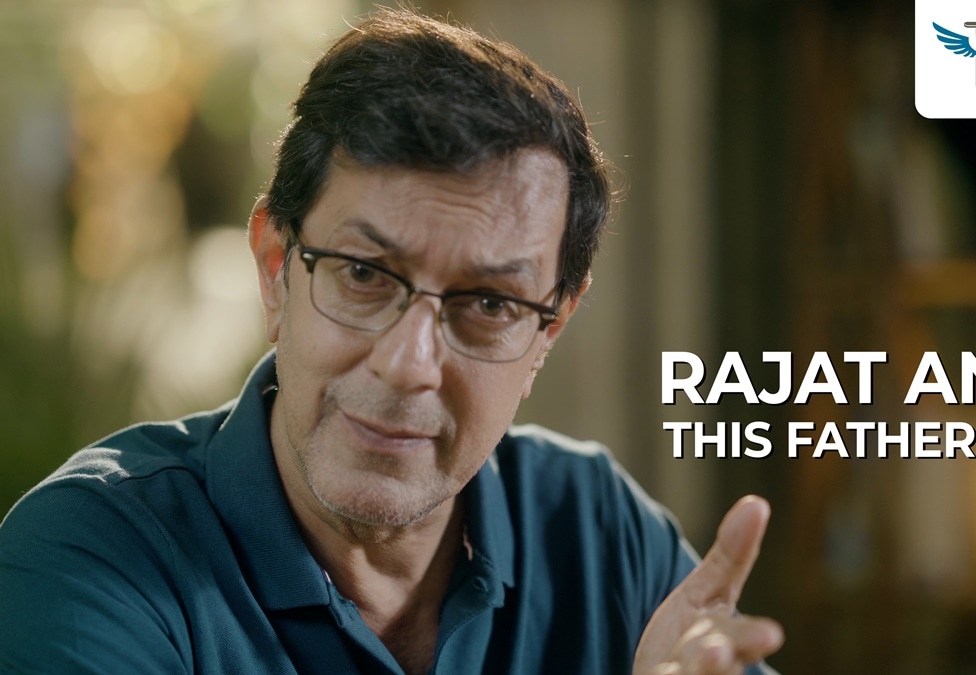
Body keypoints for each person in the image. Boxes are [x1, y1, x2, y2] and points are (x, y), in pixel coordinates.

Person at [0, 8, 783, 674]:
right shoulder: (88, 556)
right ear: (275, 268)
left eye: (488, 303)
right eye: (364, 274)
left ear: (549, 330)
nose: (409, 364)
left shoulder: (597, 529)